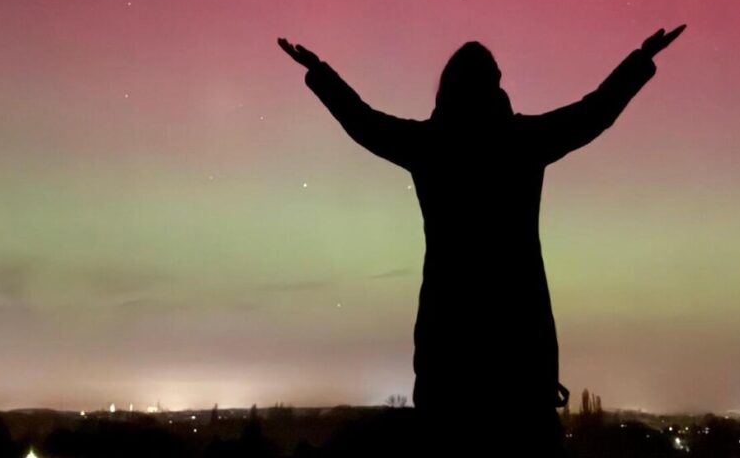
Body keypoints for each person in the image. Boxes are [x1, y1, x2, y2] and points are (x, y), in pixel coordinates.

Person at [278, 25, 685, 457]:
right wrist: (640, 60)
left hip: (448, 340)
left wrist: (320, 73)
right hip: (520, 341)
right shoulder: (522, 140)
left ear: (447, 85)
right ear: (496, 83)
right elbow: (595, 112)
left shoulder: (429, 143)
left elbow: (362, 121)